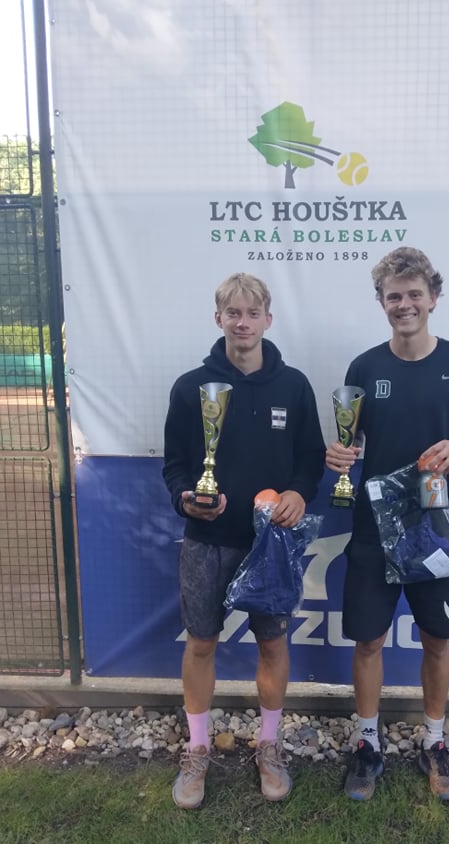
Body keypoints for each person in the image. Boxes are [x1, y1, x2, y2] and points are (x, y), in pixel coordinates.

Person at [325, 247, 449, 802]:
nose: (405, 305)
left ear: (433, 298)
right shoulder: (364, 368)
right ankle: (368, 744)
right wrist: (341, 455)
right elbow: (351, 440)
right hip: (376, 530)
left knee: (438, 640)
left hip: (437, 530)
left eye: (414, 294)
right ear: (382, 302)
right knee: (369, 640)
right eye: (393, 296)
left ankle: (435, 743)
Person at [163, 273, 325, 807]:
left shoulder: (294, 386)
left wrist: (298, 493)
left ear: (267, 320)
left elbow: (310, 459)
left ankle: (269, 745)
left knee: (273, 643)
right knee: (201, 643)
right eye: (232, 312)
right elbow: (175, 465)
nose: (242, 322)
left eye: (252, 313)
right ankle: (197, 749)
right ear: (219, 319)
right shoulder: (191, 387)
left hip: (270, 543)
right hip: (207, 540)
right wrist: (186, 498)